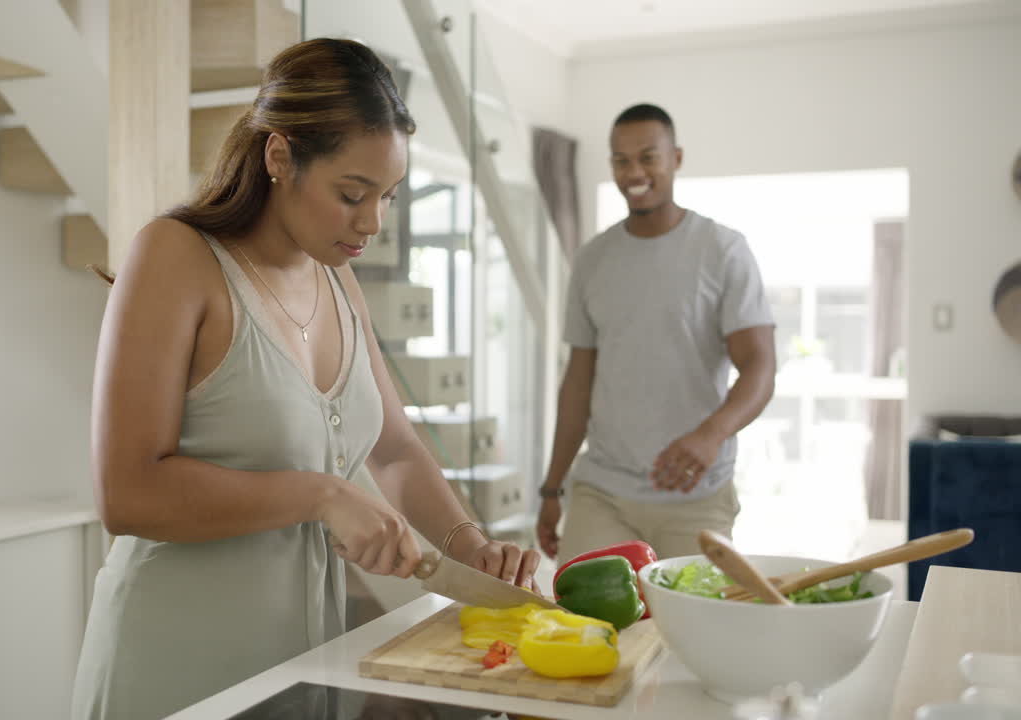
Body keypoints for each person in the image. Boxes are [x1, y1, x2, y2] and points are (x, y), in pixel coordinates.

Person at [72, 38, 542, 719]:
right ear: (279, 157)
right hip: (174, 673)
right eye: (352, 194)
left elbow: (394, 450)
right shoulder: (175, 256)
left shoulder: (337, 279)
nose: (372, 222)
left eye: (388, 196)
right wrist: (321, 494)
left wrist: (468, 545)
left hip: (301, 672)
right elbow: (126, 492)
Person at [535, 103, 776, 564]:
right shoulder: (592, 260)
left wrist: (710, 435)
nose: (634, 172)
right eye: (621, 160)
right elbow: (578, 383)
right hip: (602, 491)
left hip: (695, 495)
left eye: (648, 157)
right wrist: (552, 487)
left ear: (676, 158)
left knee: (689, 614)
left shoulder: (723, 249)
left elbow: (760, 367)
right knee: (580, 609)